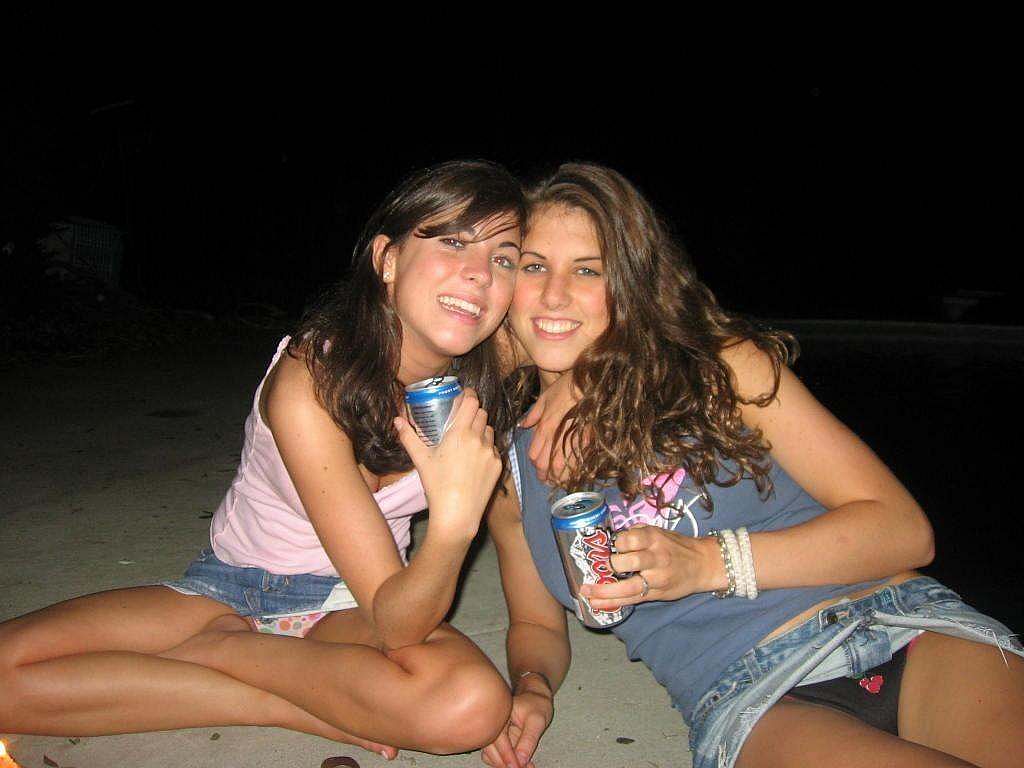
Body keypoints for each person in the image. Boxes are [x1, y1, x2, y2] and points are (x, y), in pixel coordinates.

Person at [483, 162, 1024, 768]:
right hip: (753, 692)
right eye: (534, 266)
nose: (554, 294)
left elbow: (905, 531)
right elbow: (537, 625)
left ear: (632, 284)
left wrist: (706, 563)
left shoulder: (721, 369)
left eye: (589, 270)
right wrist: (531, 685)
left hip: (898, 620)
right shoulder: (509, 472)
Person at [0, 160, 527, 757]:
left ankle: (247, 665)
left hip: (351, 608)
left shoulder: (491, 365)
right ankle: (258, 675)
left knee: (468, 707)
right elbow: (398, 625)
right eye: (453, 241)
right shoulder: (310, 379)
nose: (479, 272)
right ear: (387, 259)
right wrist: (455, 524)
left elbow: (592, 319)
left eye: (504, 258)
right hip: (230, 590)